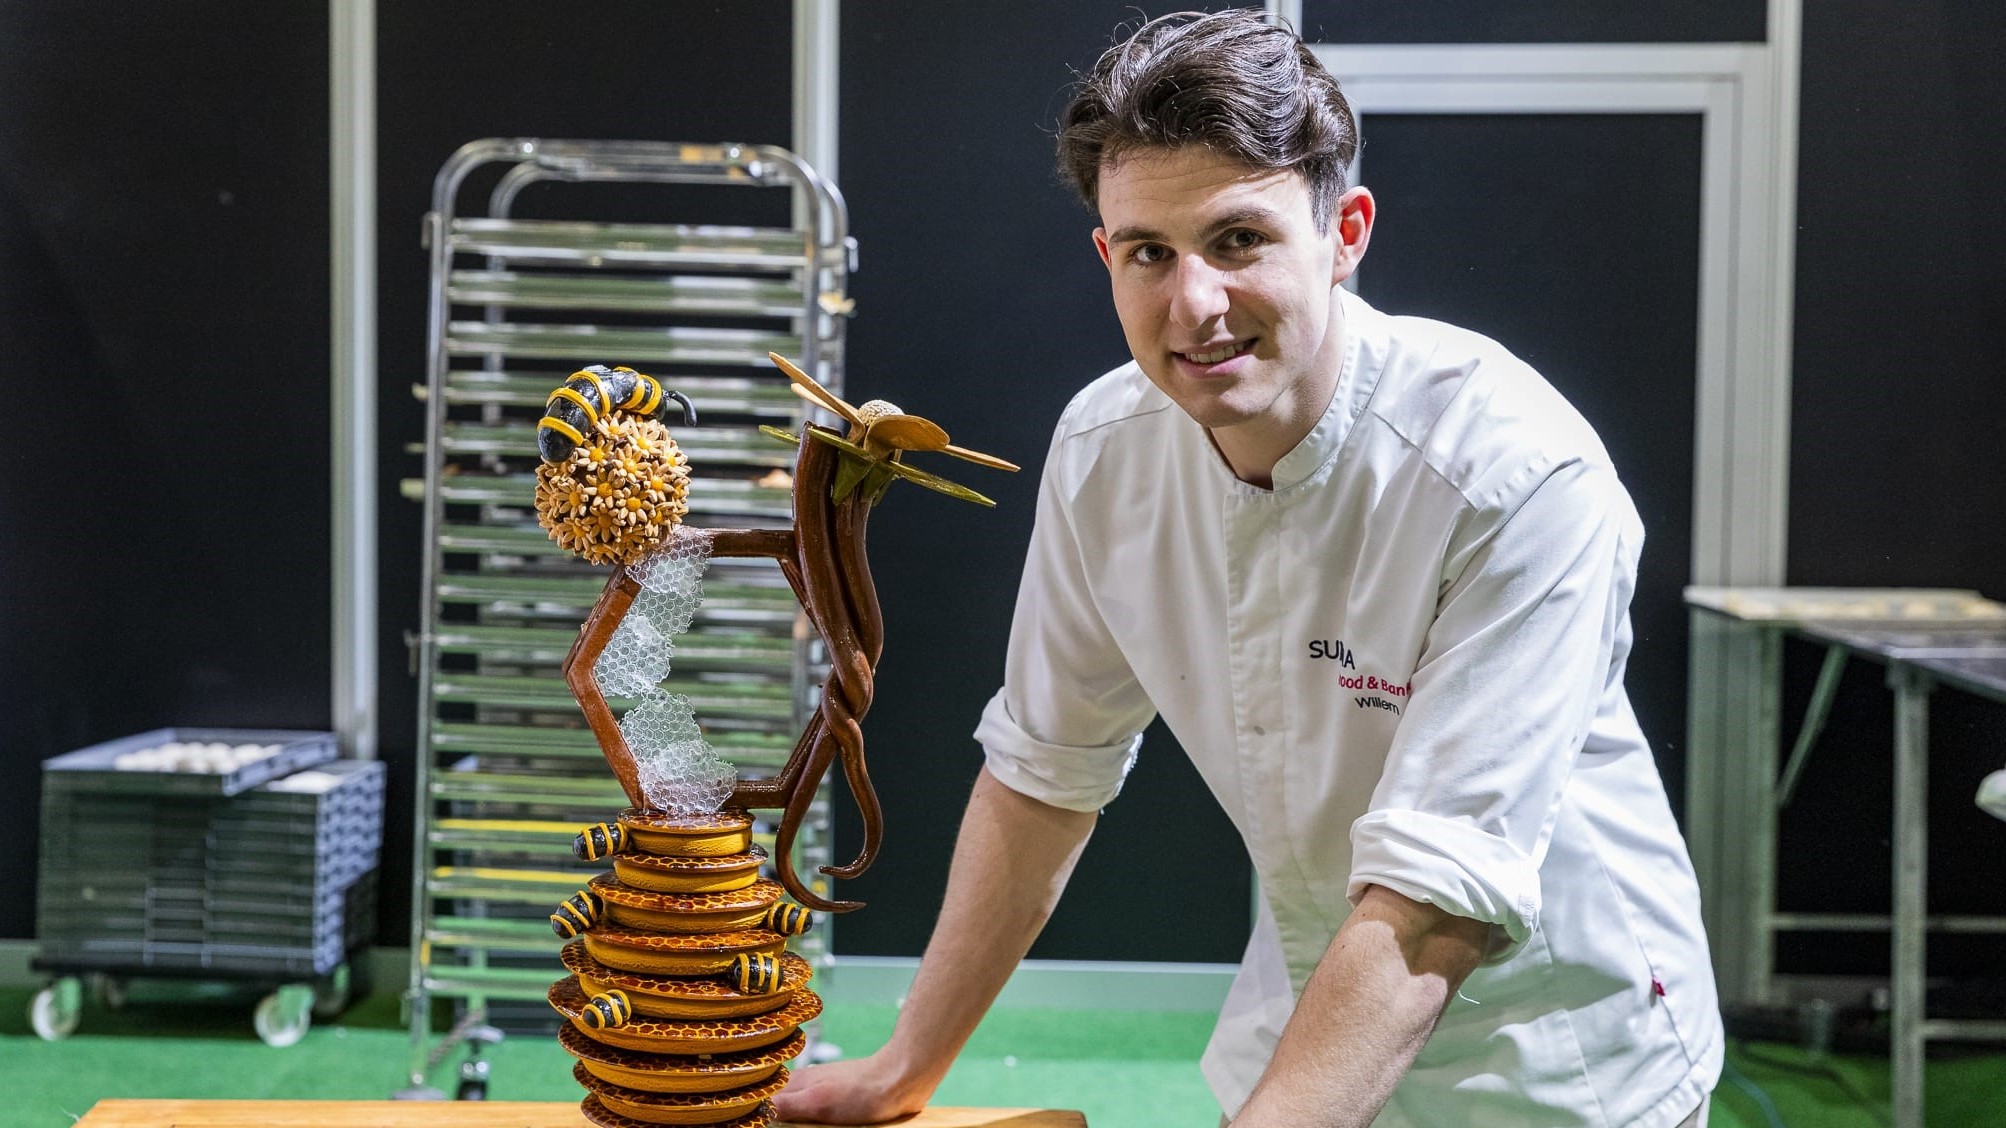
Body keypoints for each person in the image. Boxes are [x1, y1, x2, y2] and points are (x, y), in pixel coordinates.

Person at [775, 9, 1723, 1126]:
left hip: (1557, 1056)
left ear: (1345, 232)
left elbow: (1434, 898)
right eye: (1148, 253)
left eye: (1237, 241)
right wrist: (905, 1068)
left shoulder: (1512, 473)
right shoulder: (1104, 453)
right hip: (1309, 1017)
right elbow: (1041, 775)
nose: (1193, 306)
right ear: (1105, 257)